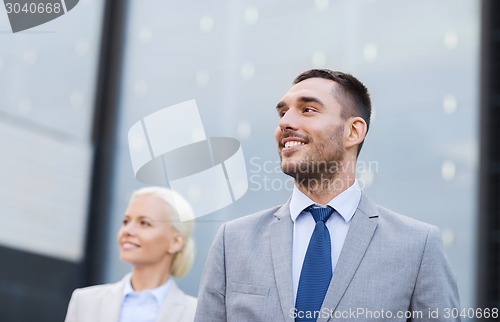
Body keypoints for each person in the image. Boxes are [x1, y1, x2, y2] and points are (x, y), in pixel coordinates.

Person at [194, 69, 460, 322]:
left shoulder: (417, 247)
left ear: (353, 131)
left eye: (308, 109)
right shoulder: (234, 242)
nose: (285, 122)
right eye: (283, 112)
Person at [65, 186, 197, 322]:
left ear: (175, 242)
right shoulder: (86, 302)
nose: (127, 230)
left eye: (144, 223)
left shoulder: (197, 314)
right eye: (126, 221)